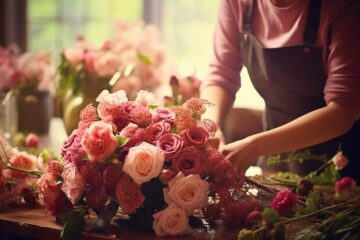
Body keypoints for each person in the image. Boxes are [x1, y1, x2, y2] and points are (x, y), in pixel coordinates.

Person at [200, 0, 360, 181]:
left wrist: (255, 146)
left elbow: (343, 111)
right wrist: (208, 128)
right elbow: (221, 73)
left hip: (343, 169)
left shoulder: (343, 7)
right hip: (275, 161)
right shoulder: (238, 3)